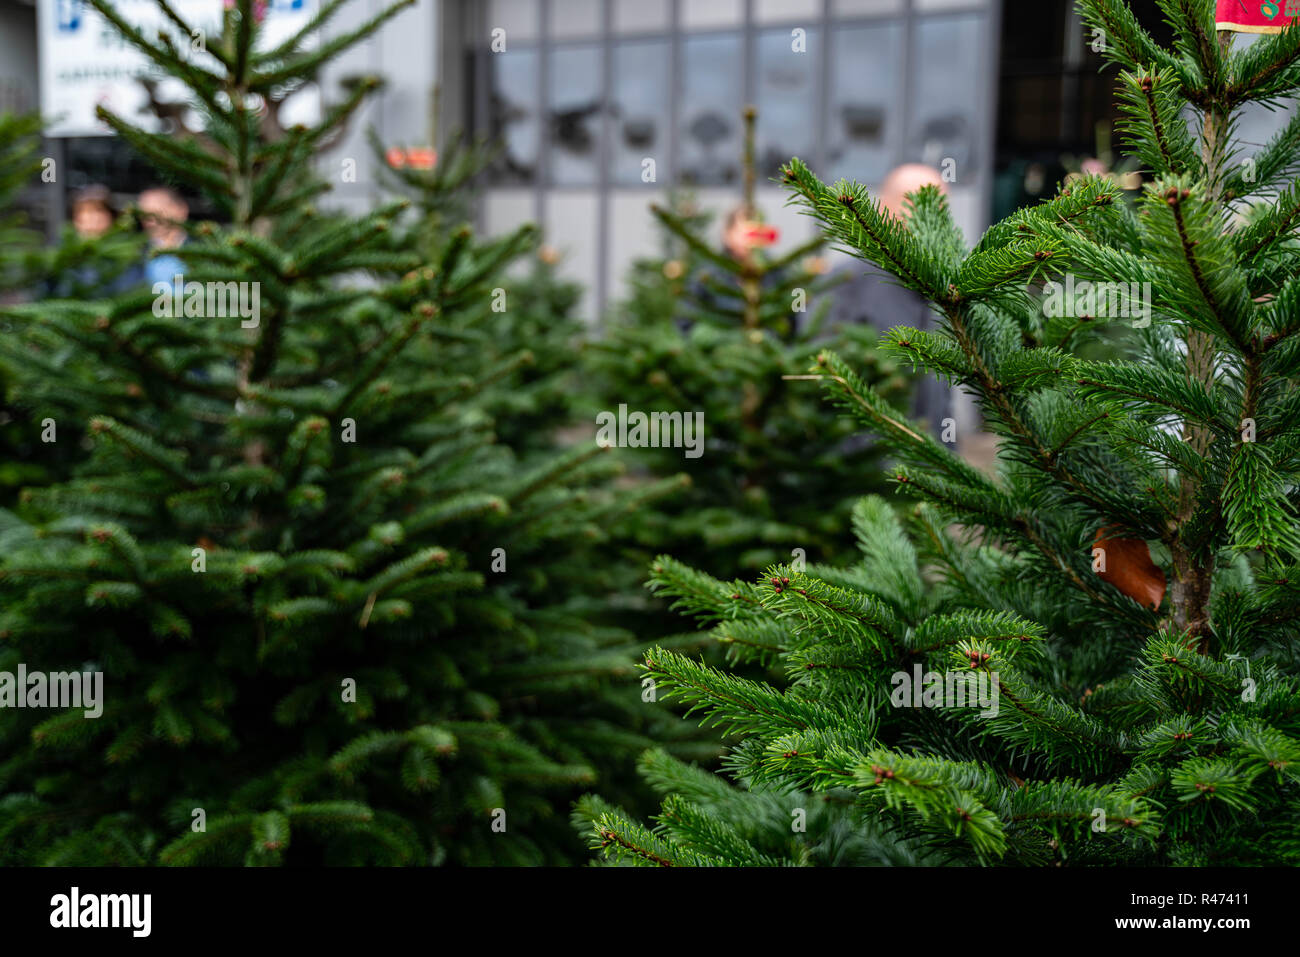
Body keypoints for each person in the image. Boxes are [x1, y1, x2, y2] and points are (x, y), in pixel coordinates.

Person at [826, 163, 953, 437]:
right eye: (925, 204)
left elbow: (941, 396)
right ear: (887, 206)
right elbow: (823, 379)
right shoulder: (846, 282)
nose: (937, 217)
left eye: (943, 206)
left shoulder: (944, 288)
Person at [137, 185, 190, 286]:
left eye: (157, 213)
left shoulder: (205, 250)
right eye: (144, 214)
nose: (149, 220)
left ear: (181, 210)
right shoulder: (135, 254)